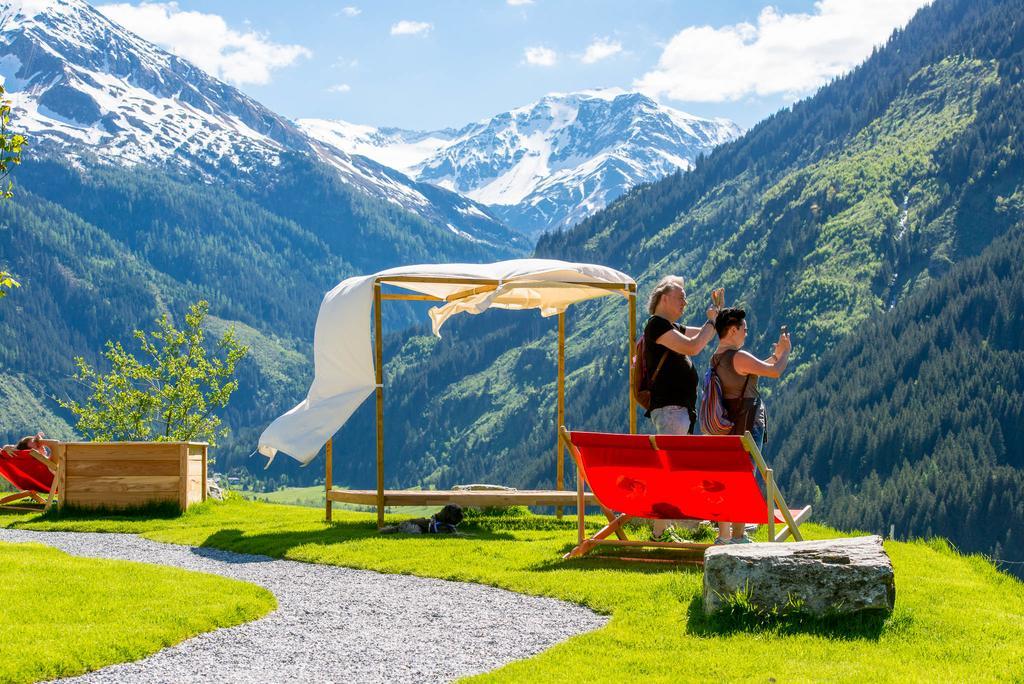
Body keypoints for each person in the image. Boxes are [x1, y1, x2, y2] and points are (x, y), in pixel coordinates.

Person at [643, 276, 720, 540]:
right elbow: (694, 346)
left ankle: (666, 528)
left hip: (677, 411)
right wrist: (712, 322)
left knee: (674, 469)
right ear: (665, 298)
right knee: (670, 470)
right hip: (670, 409)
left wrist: (717, 318)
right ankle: (662, 530)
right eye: (681, 297)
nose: (685, 302)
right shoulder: (656, 326)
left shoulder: (669, 325)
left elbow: (698, 334)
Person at [709, 308, 791, 544]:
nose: (746, 333)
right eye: (744, 329)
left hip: (727, 424)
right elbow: (774, 372)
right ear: (733, 330)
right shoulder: (738, 355)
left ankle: (724, 536)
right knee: (744, 478)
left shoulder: (717, 357)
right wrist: (785, 353)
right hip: (747, 423)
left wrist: (774, 356)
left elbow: (752, 370)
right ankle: (738, 535)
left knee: (728, 477)